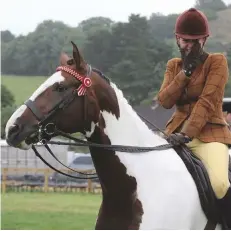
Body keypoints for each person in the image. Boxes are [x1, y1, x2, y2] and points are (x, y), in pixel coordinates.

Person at [157, 7, 231, 228]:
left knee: (219, 183)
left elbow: (207, 103)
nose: (188, 45)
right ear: (177, 39)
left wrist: (186, 134)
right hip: (173, 134)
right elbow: (164, 101)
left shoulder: (217, 62)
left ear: (204, 40)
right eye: (184, 40)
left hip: (210, 134)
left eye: (194, 41)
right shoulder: (174, 65)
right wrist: (185, 73)